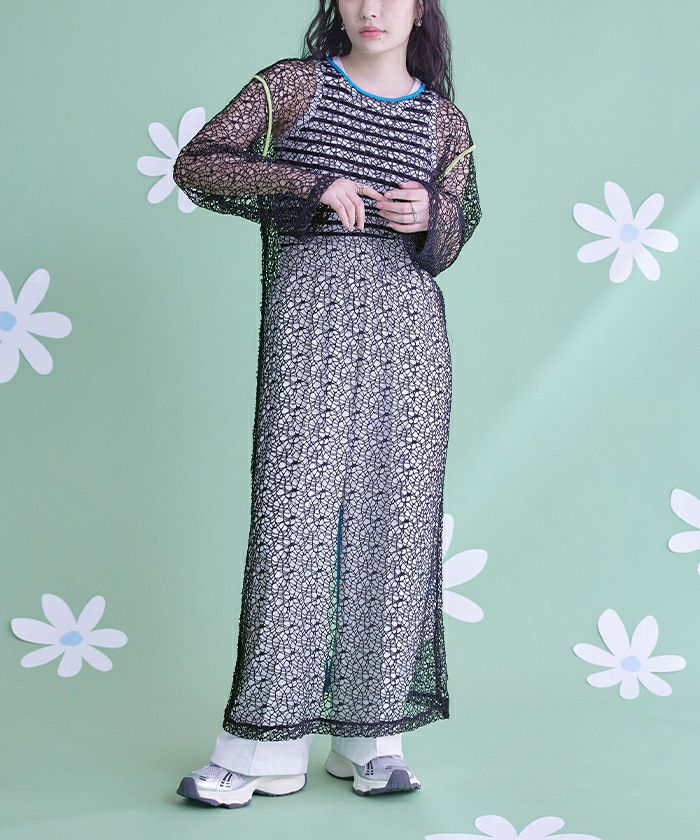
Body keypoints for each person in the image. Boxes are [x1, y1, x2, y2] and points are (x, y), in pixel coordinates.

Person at [172, 0, 482, 808]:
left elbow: (459, 229)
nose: (373, 9)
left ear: (421, 9)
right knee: (295, 523)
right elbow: (199, 164)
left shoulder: (445, 123)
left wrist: (433, 217)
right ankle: (260, 748)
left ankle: (371, 738)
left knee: (395, 522)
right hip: (311, 324)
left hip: (409, 337)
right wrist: (313, 183)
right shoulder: (294, 87)